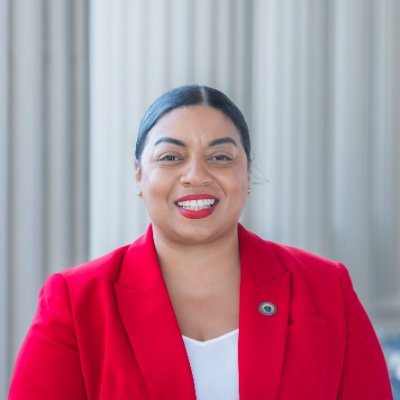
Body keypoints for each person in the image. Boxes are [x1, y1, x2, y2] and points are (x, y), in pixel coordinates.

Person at [9, 85, 393, 399]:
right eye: (172, 157)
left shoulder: (326, 287)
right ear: (139, 177)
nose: (196, 175)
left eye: (221, 157)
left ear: (247, 175)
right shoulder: (75, 301)